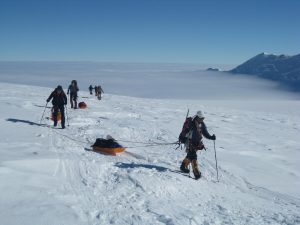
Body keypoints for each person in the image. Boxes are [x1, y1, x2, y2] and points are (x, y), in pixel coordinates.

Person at [180, 110, 216, 179]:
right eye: (201, 118)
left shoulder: (202, 124)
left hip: (197, 143)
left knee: (190, 155)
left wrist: (211, 137)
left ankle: (183, 166)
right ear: (197, 117)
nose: (202, 119)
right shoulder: (191, 123)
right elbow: (185, 131)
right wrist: (183, 138)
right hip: (189, 142)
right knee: (193, 156)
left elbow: (205, 133)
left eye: (203, 118)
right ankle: (196, 173)